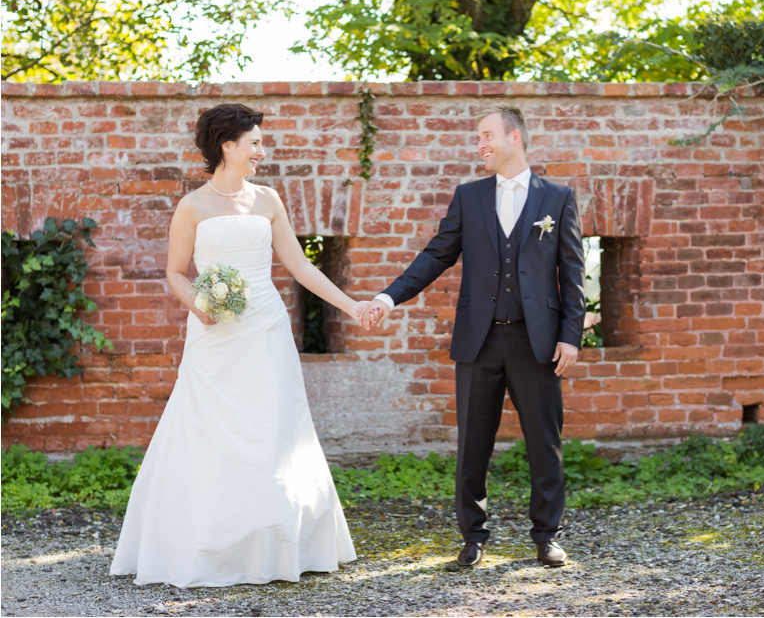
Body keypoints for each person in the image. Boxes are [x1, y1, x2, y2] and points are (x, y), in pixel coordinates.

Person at [110, 103, 362, 587]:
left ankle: (276, 542)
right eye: (255, 143)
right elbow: (175, 272)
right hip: (213, 333)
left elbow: (301, 268)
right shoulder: (193, 206)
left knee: (274, 425)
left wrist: (351, 307)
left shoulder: (268, 200)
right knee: (208, 428)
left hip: (265, 328)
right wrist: (200, 307)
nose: (261, 151)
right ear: (228, 145)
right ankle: (205, 544)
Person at [360, 105, 586, 567]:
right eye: (478, 137)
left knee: (545, 442)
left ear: (515, 138)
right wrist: (387, 298)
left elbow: (574, 273)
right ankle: (473, 536)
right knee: (473, 443)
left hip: (537, 342)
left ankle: (547, 535)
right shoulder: (469, 196)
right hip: (478, 340)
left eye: (486, 135)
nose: (479, 144)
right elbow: (434, 256)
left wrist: (571, 336)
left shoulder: (558, 198)